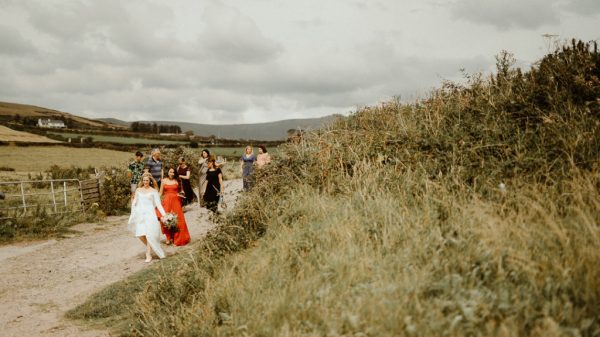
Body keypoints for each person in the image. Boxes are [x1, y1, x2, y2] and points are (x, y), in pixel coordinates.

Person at [128, 172, 166, 262]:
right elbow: (135, 203)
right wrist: (133, 214)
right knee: (140, 234)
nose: (145, 182)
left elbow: (158, 205)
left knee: (149, 234)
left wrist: (164, 215)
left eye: (147, 180)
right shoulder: (138, 190)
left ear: (150, 181)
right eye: (144, 180)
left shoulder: (153, 191)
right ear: (142, 181)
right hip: (140, 215)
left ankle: (148, 254)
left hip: (150, 214)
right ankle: (153, 247)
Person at [158, 167, 191, 246]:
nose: (172, 173)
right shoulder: (164, 181)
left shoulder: (178, 181)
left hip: (176, 202)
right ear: (168, 172)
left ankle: (177, 238)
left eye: (173, 172)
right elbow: (160, 193)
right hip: (166, 202)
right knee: (165, 219)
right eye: (170, 172)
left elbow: (182, 191)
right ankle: (168, 237)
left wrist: (181, 194)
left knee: (178, 220)